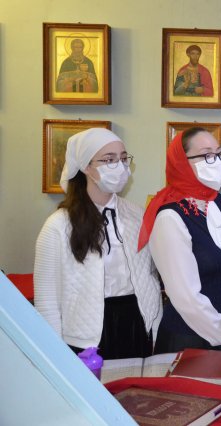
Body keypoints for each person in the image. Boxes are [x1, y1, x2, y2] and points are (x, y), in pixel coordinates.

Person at [34, 128, 161, 359]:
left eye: (123, 158)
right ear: (86, 167)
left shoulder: (137, 215)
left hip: (135, 322)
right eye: (109, 160)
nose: (120, 166)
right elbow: (47, 301)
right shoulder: (58, 225)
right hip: (86, 333)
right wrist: (55, 354)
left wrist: (154, 324)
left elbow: (149, 276)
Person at [138, 127, 221, 353]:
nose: (216, 162)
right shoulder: (169, 217)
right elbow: (187, 298)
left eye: (219, 153)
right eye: (207, 155)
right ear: (181, 162)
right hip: (190, 340)